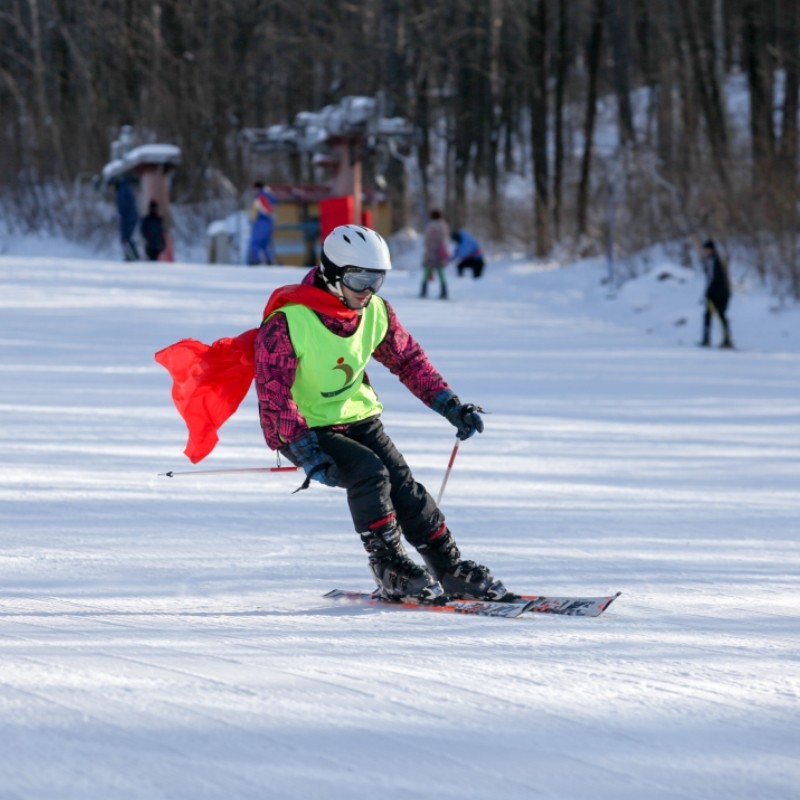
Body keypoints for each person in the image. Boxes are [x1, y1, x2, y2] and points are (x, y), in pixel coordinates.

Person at [155, 225, 512, 604]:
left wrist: (450, 405)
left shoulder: (375, 312)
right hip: (306, 428)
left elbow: (409, 361)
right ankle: (389, 566)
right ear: (331, 273)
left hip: (359, 417)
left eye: (377, 280)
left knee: (403, 486)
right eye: (359, 279)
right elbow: (275, 397)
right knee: (370, 473)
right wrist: (305, 451)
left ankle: (449, 568)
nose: (368, 290)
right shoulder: (287, 323)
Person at [700, 239, 733, 348]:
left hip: (721, 294)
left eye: (707, 249)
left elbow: (717, 279)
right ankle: (706, 338)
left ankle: (727, 340)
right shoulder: (709, 261)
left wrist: (710, 292)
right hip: (713, 294)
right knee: (707, 316)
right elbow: (709, 279)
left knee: (721, 315)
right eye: (705, 249)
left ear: (712, 249)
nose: (706, 252)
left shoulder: (716, 261)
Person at [420, 209, 450, 299]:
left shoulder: (430, 226)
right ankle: (444, 291)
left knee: (427, 271)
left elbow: (427, 239)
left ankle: (424, 290)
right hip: (440, 252)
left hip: (431, 252)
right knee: (440, 272)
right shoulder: (443, 225)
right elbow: (445, 238)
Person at [247, 182, 276, 265]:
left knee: (255, 241)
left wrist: (253, 218)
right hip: (267, 222)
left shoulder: (261, 196)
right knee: (264, 243)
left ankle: (255, 260)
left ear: (257, 188)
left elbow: (267, 210)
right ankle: (269, 260)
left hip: (261, 222)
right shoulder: (268, 195)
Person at [115, 177, 139, 261]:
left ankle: (132, 256)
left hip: (127, 217)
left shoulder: (122, 191)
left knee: (125, 238)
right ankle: (133, 255)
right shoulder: (127, 189)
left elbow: (123, 206)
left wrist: (121, 213)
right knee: (127, 237)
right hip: (131, 216)